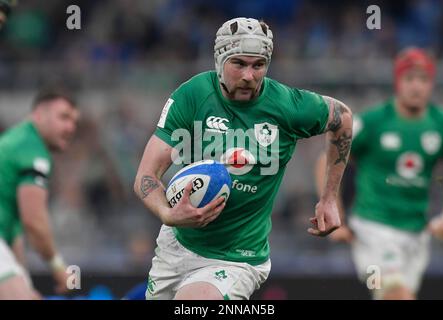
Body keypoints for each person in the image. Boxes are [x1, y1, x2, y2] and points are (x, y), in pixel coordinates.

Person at [134, 17, 353, 300]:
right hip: (176, 246)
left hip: (237, 258)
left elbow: (343, 119)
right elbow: (145, 177)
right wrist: (168, 214)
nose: (249, 75)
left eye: (258, 65)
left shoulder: (288, 106)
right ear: (219, 61)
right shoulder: (192, 95)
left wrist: (329, 198)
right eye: (239, 63)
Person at [315, 47, 443, 300]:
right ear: (398, 82)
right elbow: (328, 158)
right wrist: (334, 208)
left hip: (416, 232)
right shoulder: (375, 121)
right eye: (410, 78)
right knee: (396, 294)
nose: (417, 87)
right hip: (373, 228)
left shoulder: (442, 123)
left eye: (423, 79)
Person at [0, 88, 80, 299]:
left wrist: (24, 282)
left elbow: (13, 230)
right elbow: (33, 221)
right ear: (38, 114)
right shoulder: (31, 147)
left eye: (74, 121)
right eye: (64, 117)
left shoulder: (16, 140)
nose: (70, 127)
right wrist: (59, 268)